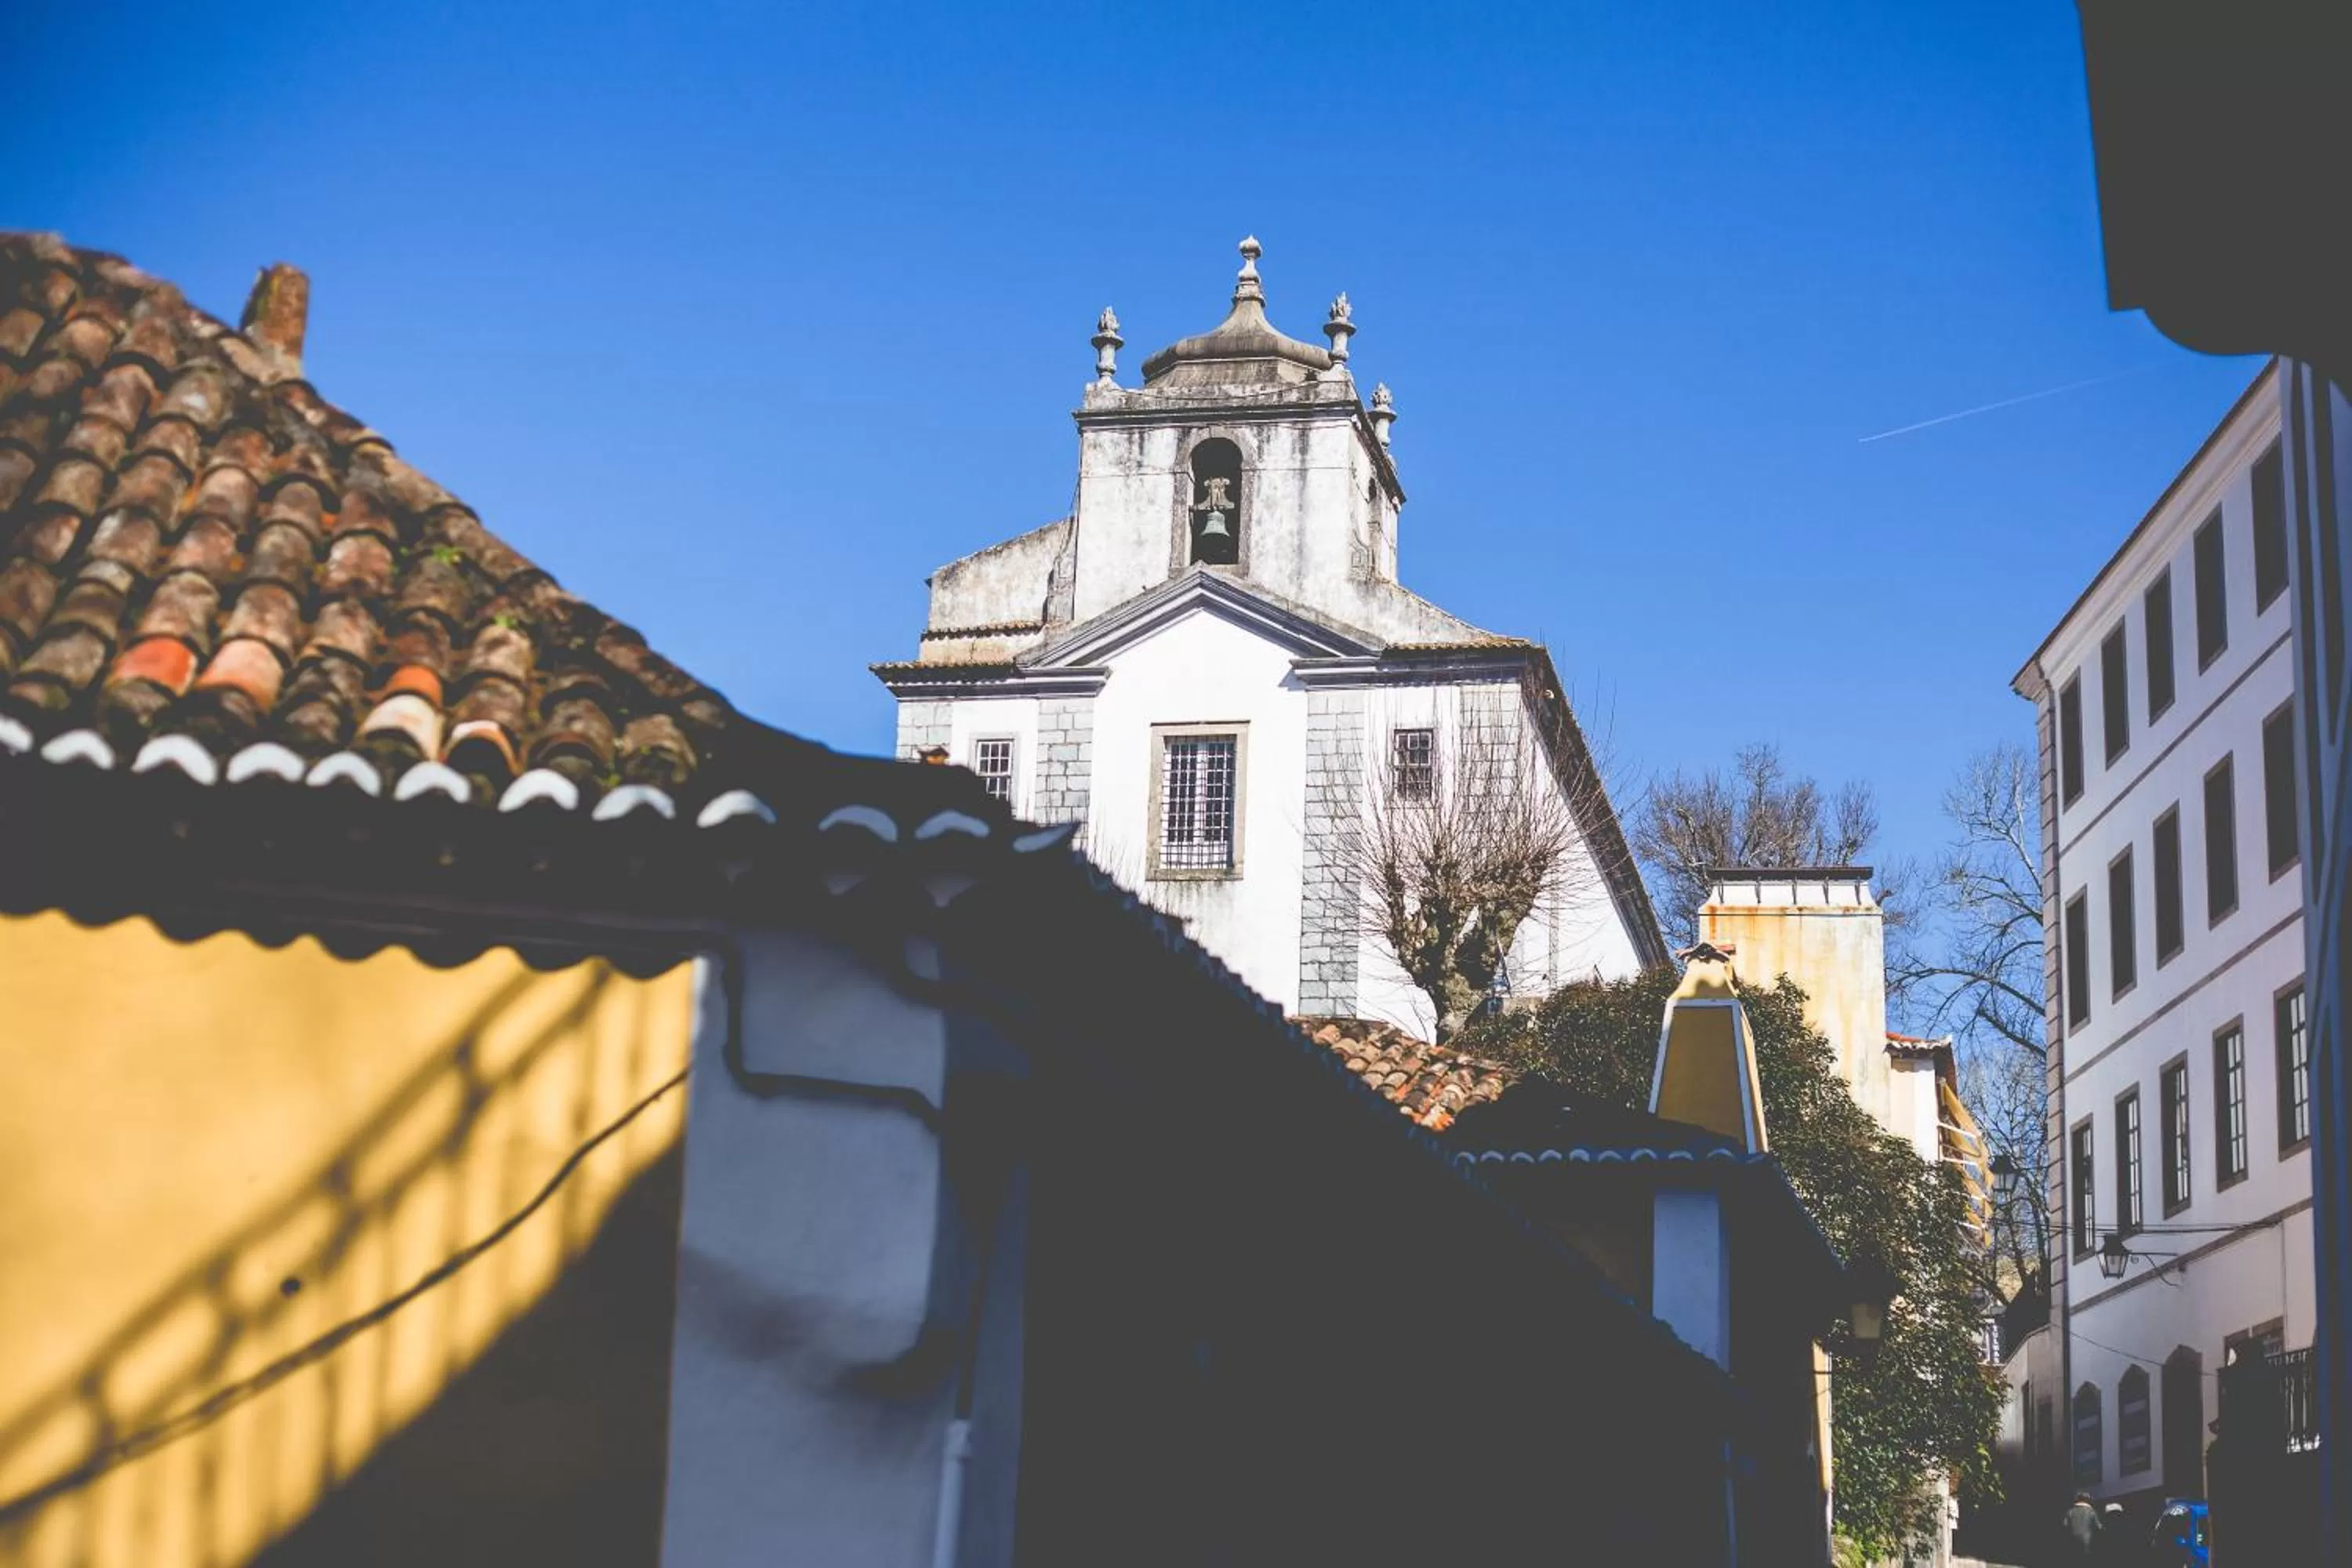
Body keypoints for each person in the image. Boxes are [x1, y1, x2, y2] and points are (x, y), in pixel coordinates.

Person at [2062, 1491, 2103, 1558]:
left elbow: (2065, 1526)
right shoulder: (2091, 1510)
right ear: (2087, 1500)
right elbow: (2099, 1526)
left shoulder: (2070, 1511)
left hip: (2073, 1542)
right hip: (2089, 1542)